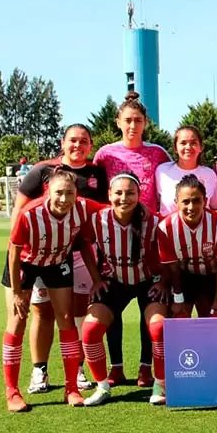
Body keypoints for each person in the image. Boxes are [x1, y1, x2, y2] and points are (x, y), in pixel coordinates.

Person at [11, 124, 108, 394]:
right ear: (63, 143)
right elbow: (19, 215)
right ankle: (39, 370)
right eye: (73, 140)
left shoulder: (96, 173)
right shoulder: (43, 170)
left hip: (78, 253)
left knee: (75, 311)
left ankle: (75, 369)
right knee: (42, 312)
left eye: (84, 141)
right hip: (41, 255)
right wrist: (20, 253)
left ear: (91, 145)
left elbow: (104, 210)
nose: (78, 145)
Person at [0, 168, 104, 412]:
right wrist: (17, 292)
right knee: (17, 320)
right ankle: (12, 391)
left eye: (70, 193)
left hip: (57, 262)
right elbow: (14, 253)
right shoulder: (30, 213)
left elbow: (113, 208)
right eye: (59, 193)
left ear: (77, 194)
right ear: (48, 192)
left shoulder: (82, 207)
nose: (64, 199)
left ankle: (72, 388)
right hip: (25, 263)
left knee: (66, 319)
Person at [91, 92, 171, 388]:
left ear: (146, 123)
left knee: (149, 304)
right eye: (127, 120)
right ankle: (116, 366)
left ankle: (146, 366)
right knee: (112, 305)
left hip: (148, 238)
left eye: (138, 120)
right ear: (118, 123)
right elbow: (98, 192)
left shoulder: (158, 154)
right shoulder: (105, 154)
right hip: (113, 240)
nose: (133, 126)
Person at [80, 172, 169, 406]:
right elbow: (83, 243)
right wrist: (96, 278)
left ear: (139, 195)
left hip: (148, 281)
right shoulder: (97, 219)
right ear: (109, 195)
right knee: (89, 331)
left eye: (130, 193)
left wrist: (163, 282)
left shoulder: (154, 221)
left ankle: (160, 384)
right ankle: (102, 387)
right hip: (115, 281)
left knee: (158, 328)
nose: (124, 198)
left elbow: (171, 252)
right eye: (118, 193)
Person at [158, 175, 217, 319]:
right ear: (176, 202)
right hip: (184, 277)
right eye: (185, 202)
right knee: (178, 316)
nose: (191, 207)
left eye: (196, 200)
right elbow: (173, 268)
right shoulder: (165, 228)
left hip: (212, 276)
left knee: (215, 317)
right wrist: (178, 299)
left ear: (205, 201)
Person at [155, 126, 217, 216]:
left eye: (193, 143)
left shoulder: (209, 174)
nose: (188, 147)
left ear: (201, 147)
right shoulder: (162, 171)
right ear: (175, 148)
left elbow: (215, 205)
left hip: (201, 229)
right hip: (168, 228)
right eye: (183, 143)